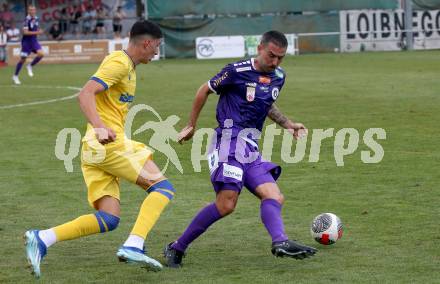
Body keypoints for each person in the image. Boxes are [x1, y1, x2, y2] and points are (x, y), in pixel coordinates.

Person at [24, 20, 174, 278]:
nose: (157, 52)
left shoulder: (127, 66)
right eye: (157, 46)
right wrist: (99, 126)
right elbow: (85, 94)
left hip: (94, 150)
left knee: (109, 218)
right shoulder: (119, 63)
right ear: (147, 42)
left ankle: (43, 238)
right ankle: (134, 244)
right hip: (106, 144)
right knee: (163, 188)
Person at [164, 31, 317, 268]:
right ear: (260, 48)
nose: (275, 62)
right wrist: (191, 125)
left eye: (281, 58)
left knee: (275, 196)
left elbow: (264, 102)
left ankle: (280, 242)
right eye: (271, 55)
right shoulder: (236, 71)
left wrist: (287, 123)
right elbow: (203, 89)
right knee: (226, 204)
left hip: (250, 147)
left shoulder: (278, 76)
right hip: (228, 140)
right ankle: (176, 248)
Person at [12, 5, 44, 85]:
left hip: (34, 41)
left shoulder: (36, 18)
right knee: (23, 59)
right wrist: (37, 32)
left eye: (33, 10)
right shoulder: (26, 20)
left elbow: (37, 28)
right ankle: (15, 76)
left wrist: (39, 30)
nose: (32, 11)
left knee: (41, 54)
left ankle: (30, 66)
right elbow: (25, 32)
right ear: (28, 11)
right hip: (26, 42)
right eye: (31, 10)